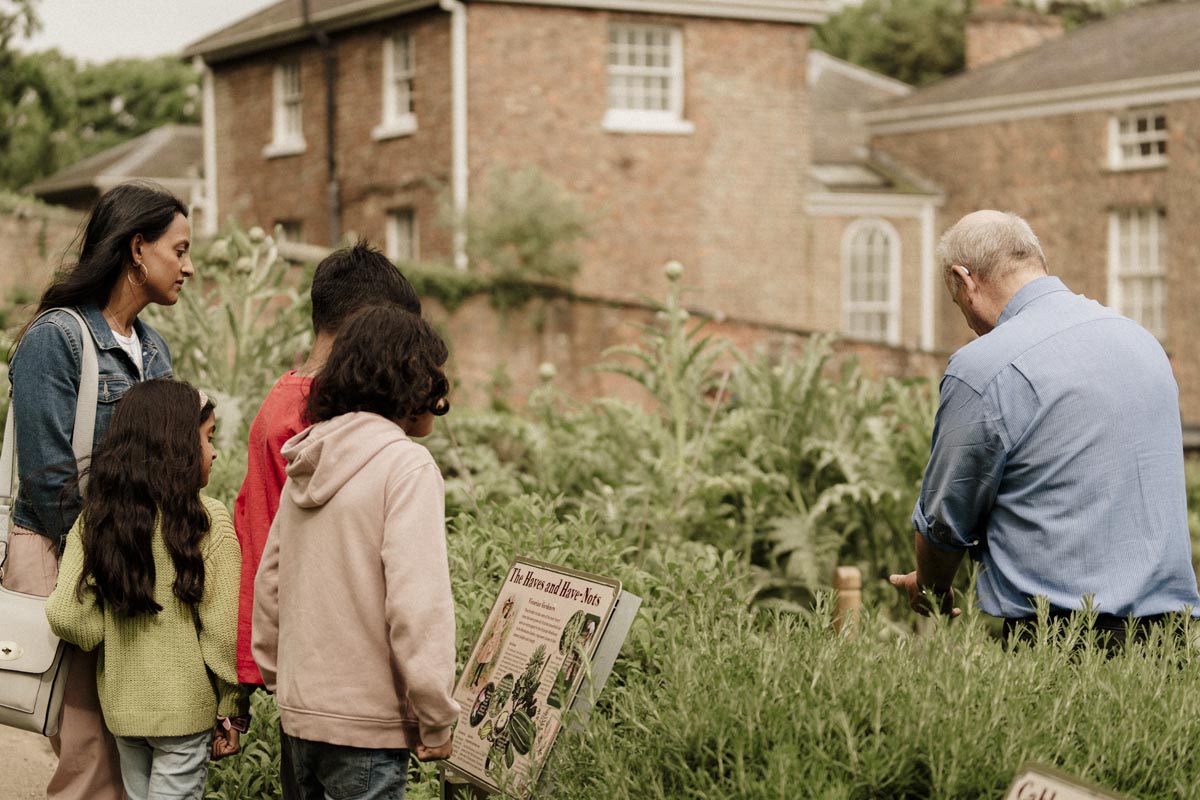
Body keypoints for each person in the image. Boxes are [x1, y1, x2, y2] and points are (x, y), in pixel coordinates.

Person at [890, 210, 1200, 644]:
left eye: (956, 302)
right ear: (1036, 262)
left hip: (1066, 644)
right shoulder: (1142, 341)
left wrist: (931, 587)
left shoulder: (984, 366)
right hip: (1178, 640)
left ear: (964, 279)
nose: (967, 319)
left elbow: (947, 520)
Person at [4, 181, 191, 800]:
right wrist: (110, 566)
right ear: (138, 249)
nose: (189, 267)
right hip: (74, 562)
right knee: (89, 754)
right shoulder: (54, 340)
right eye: (180, 250)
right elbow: (49, 478)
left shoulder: (154, 350)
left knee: (122, 747)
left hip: (129, 566)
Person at [232, 241, 421, 799]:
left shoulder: (284, 397)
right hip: (337, 669)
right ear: (369, 329)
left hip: (297, 665)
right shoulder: (321, 413)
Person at [252, 305, 459, 799]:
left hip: (302, 717)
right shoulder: (406, 467)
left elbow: (270, 581)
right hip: (367, 726)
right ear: (413, 381)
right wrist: (435, 715)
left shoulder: (309, 453)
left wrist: (284, 681)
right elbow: (416, 604)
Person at [46, 379, 247, 800]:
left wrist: (103, 630)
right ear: (176, 446)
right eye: (207, 439)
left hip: (123, 712)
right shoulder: (207, 521)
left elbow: (66, 613)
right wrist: (232, 707)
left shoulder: (98, 520)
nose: (213, 452)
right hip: (184, 713)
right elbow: (223, 632)